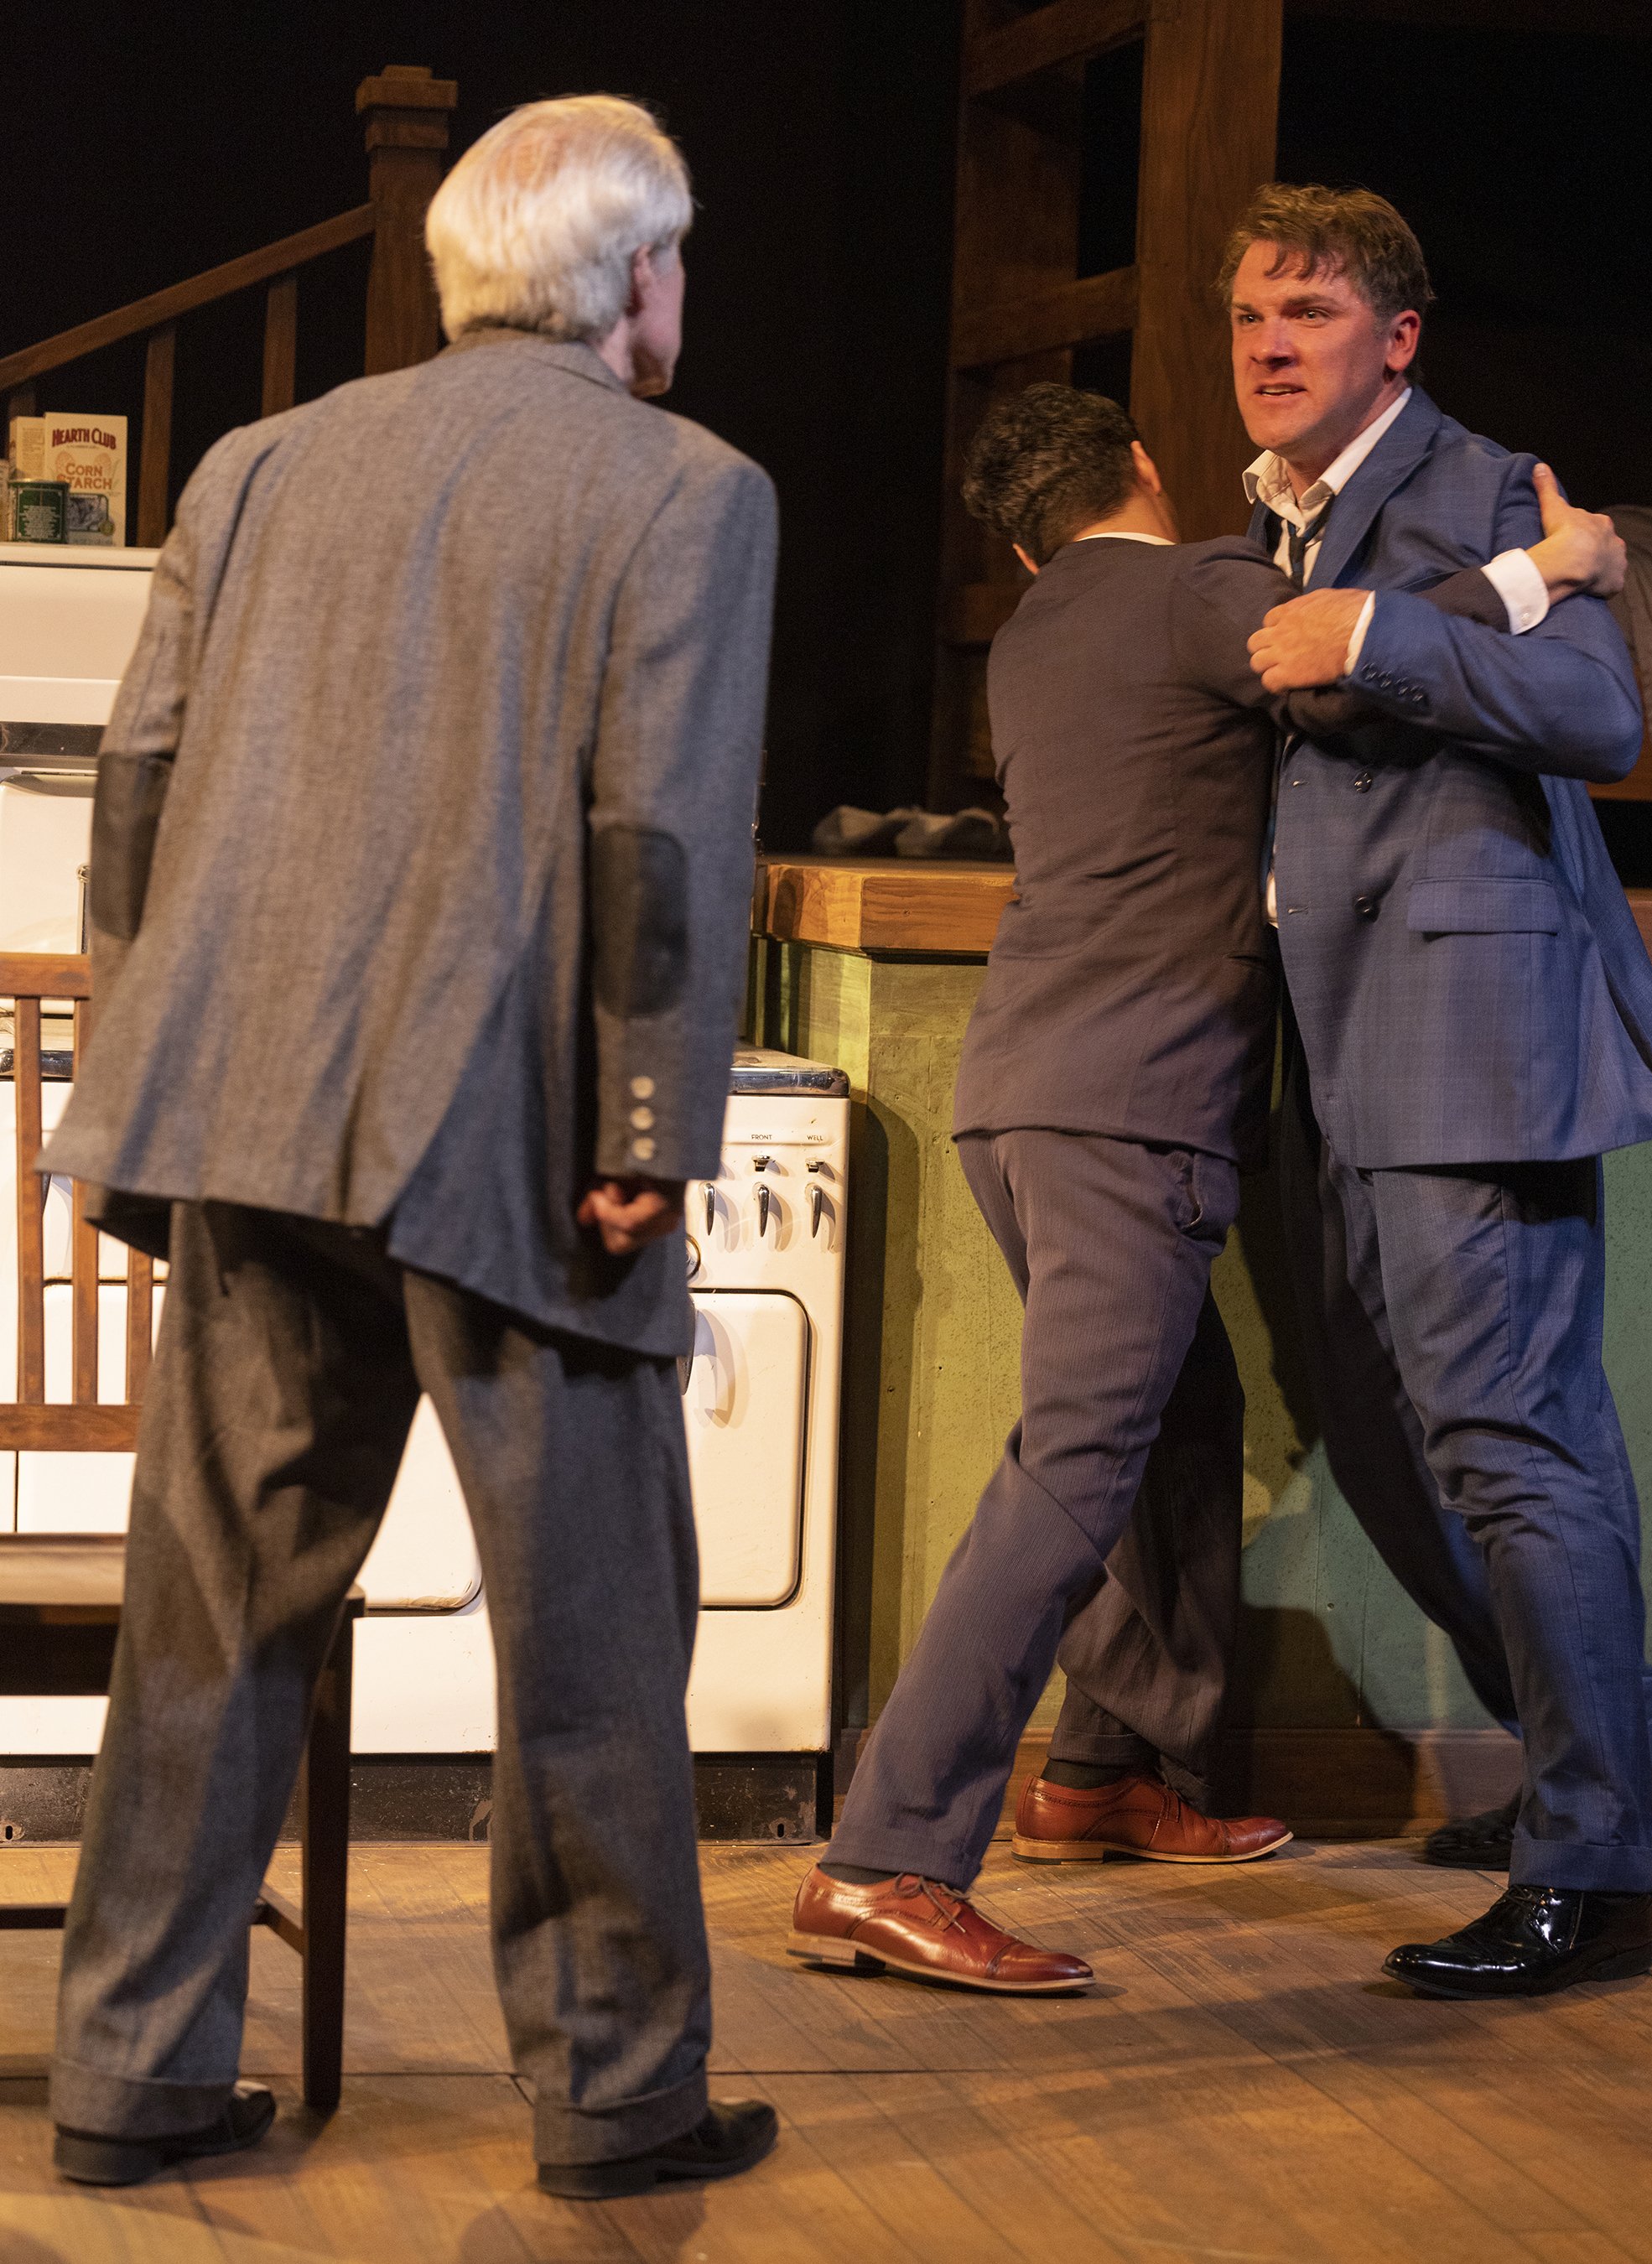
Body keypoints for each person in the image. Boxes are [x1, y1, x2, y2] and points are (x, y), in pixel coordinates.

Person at [39, 96, 781, 2197]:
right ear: (634, 277)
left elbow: (139, 785)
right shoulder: (690, 489)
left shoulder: (258, 464)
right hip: (520, 1136)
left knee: (215, 1606)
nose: (683, 295)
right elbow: (663, 826)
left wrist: (144, 1067)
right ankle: (621, 2090)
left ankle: (135, 2072)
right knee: (592, 1635)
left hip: (245, 1110)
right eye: (681, 261)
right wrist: (648, 1118)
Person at [787, 382, 1622, 1995]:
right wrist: (1553, 570)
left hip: (1022, 1102)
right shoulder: (1192, 588)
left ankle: (1107, 1763)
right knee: (1076, 1464)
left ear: (1022, 540)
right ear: (1150, 474)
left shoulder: (1032, 641)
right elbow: (1352, 655)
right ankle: (887, 1853)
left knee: (1179, 1418)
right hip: (1133, 1113)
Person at [1235, 184, 1652, 1994]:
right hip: (1342, 1039)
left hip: (1470, 1034)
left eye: (1310, 315)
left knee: (1516, 1446)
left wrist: (1382, 637)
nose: (1271, 348)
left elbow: (1599, 723)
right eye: (1251, 321)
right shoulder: (1293, 521)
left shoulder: (1491, 486)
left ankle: (1595, 1873)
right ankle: (1633, 1740)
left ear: (1397, 340)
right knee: (1393, 1434)